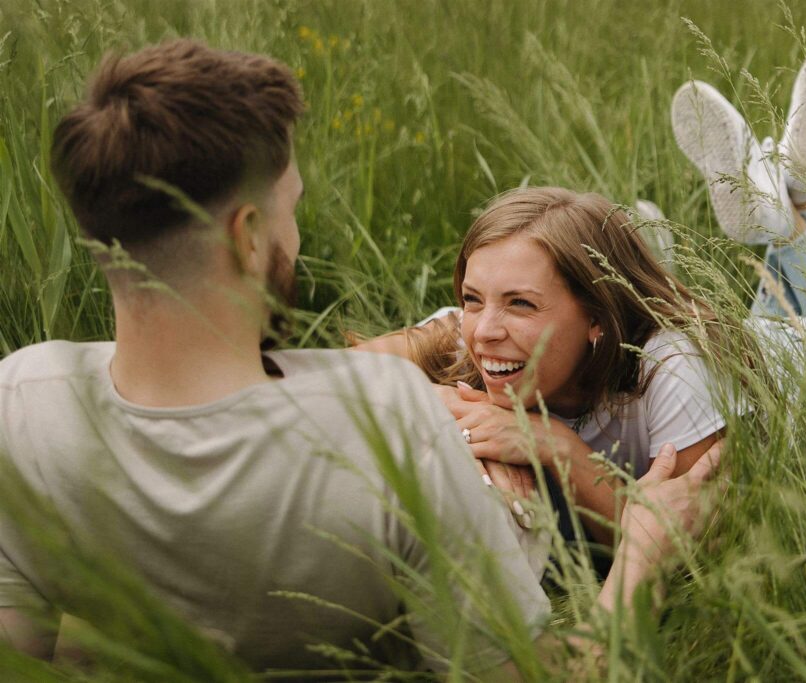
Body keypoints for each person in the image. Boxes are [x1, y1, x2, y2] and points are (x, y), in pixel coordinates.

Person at [0, 39, 722, 677]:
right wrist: (643, 551)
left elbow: (26, 650)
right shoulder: (387, 415)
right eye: (291, 209)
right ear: (248, 235)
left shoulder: (20, 396)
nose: (298, 237)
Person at [359, 39, 806, 546]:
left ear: (597, 316)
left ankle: (789, 214)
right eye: (474, 297)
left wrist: (557, 447)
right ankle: (775, 195)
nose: (483, 329)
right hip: (744, 349)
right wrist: (439, 400)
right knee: (730, 323)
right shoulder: (479, 335)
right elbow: (311, 374)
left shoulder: (672, 369)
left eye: (520, 302)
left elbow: (700, 542)